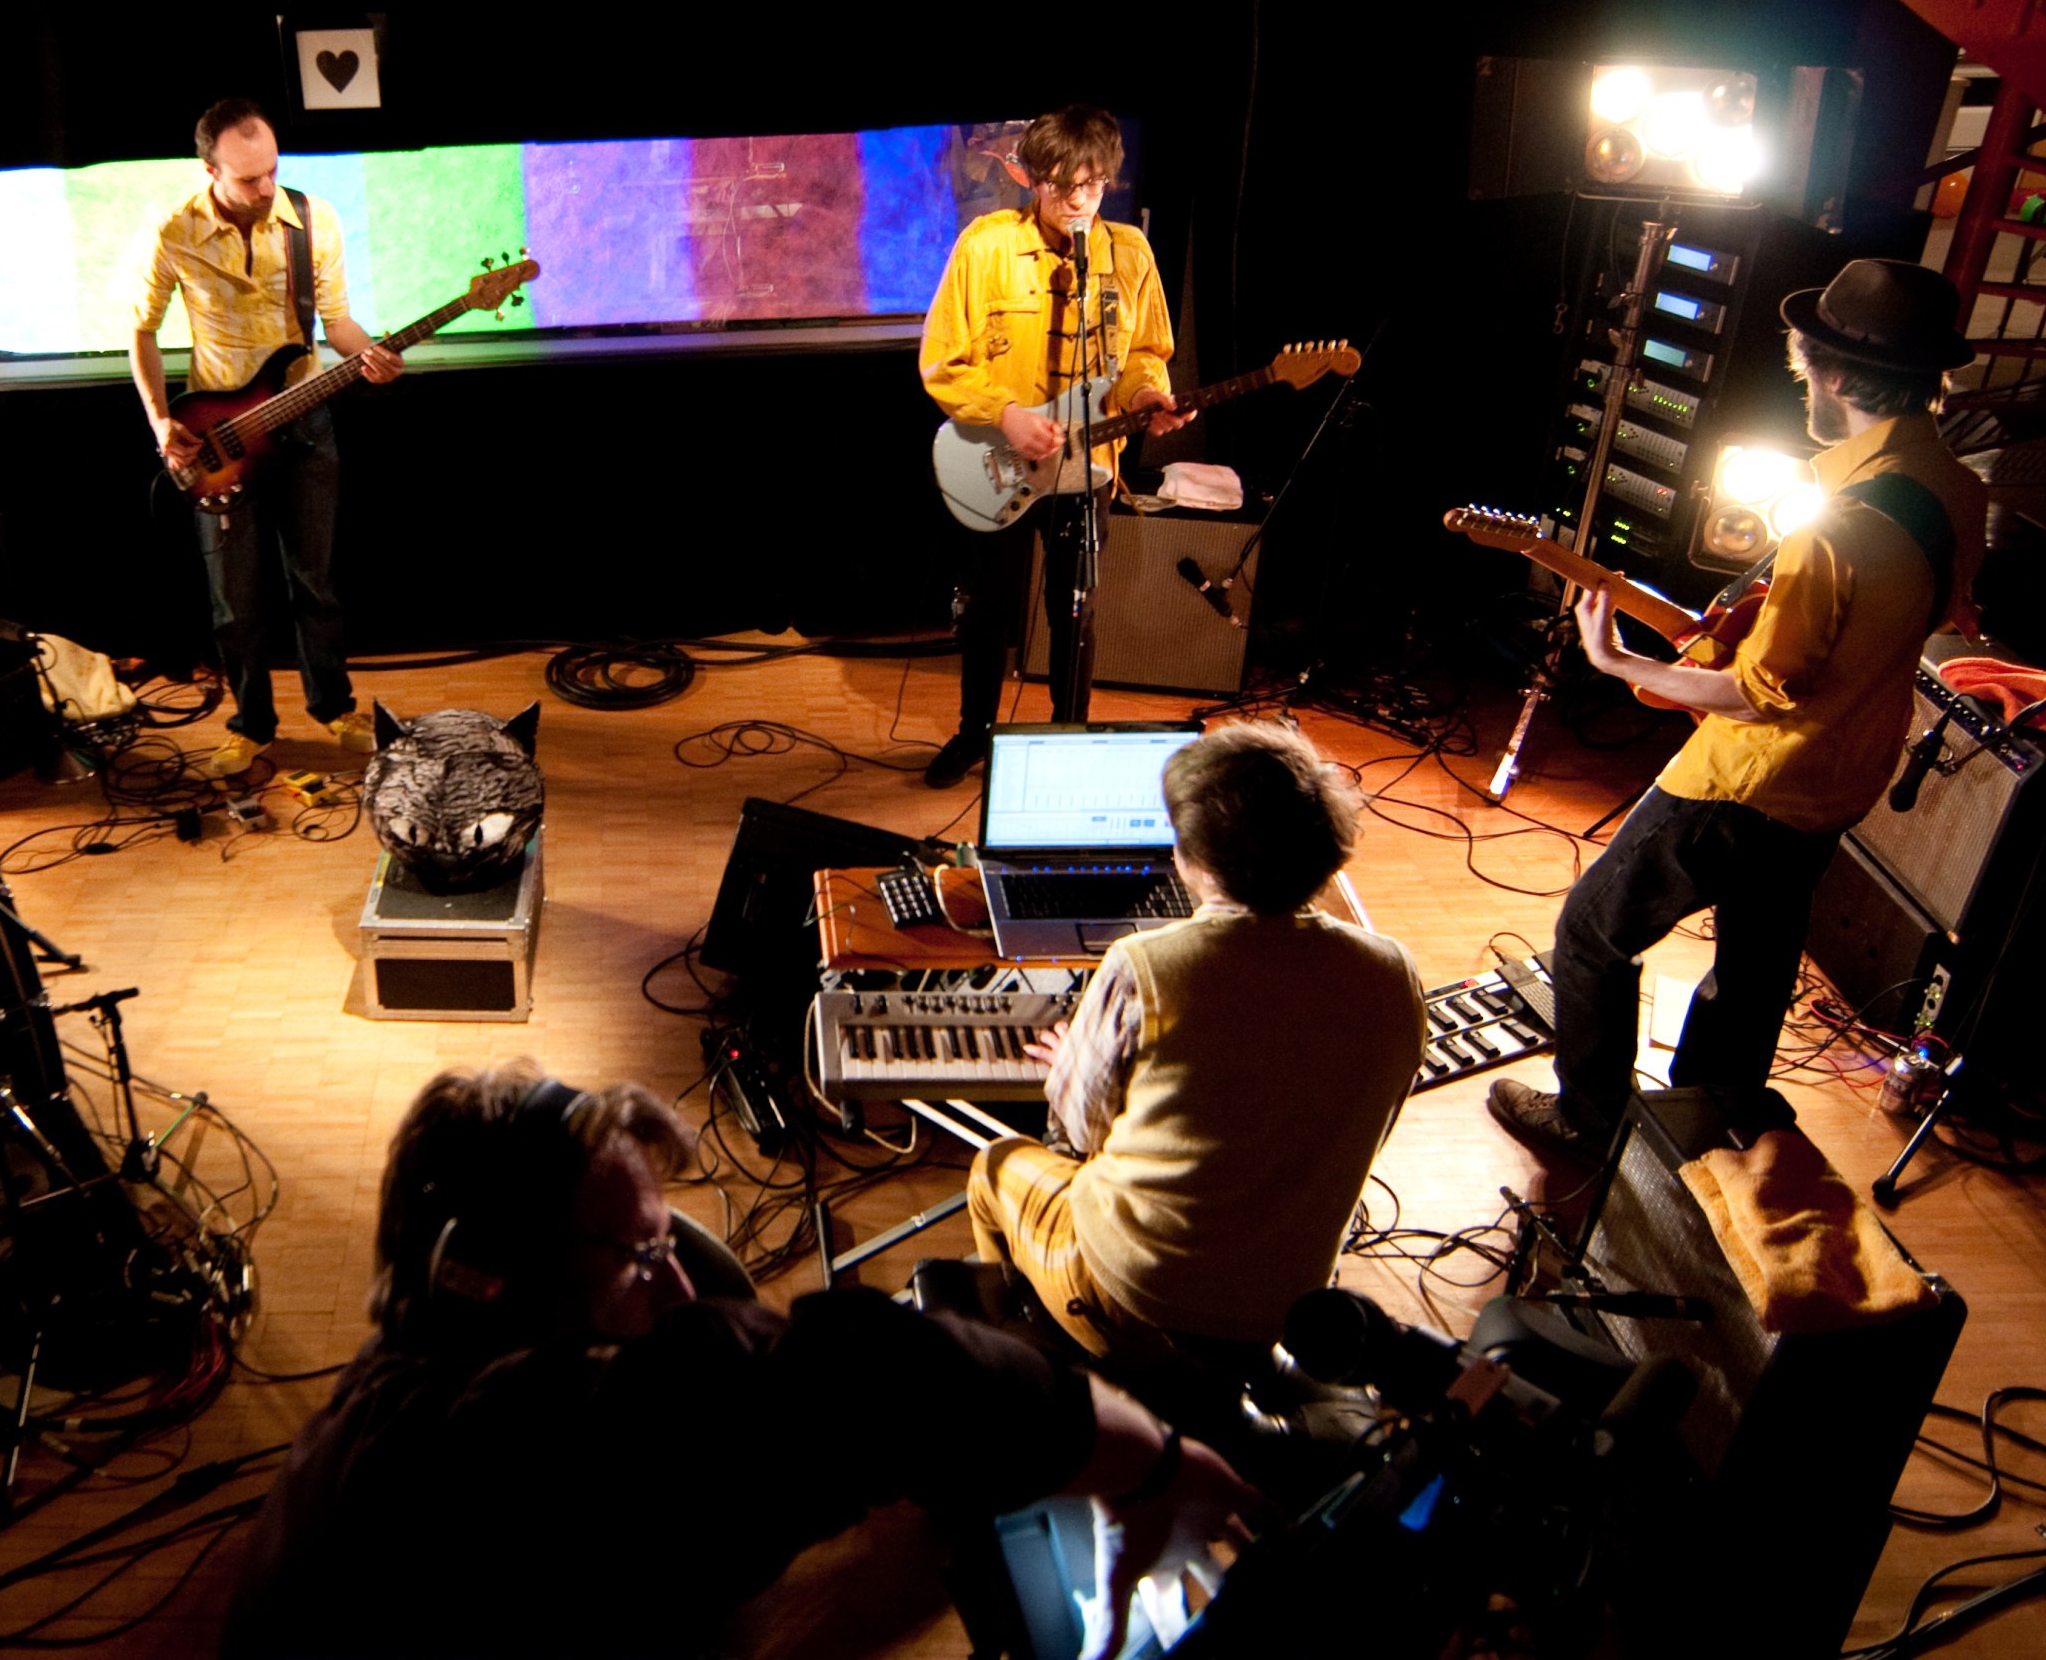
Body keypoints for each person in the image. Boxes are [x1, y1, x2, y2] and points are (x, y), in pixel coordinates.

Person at [224, 1060, 1258, 1660]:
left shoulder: (387, 1397)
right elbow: (863, 1378)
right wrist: (1153, 1462)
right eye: (641, 1258)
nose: (680, 1289)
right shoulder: (501, 1450)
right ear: (492, 1276)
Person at [1490, 259, 1987, 1164]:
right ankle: (1705, 1127)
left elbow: (1759, 694)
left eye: (1806, 370)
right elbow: (1915, 623)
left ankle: (1589, 1124)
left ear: (1836, 375)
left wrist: (1618, 661)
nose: (1803, 385)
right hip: (1843, 781)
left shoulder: (1836, 525)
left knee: (1592, 931)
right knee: (1753, 966)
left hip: (1749, 784)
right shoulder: (1959, 488)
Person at [969, 724, 1427, 1371]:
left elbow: (1081, 1132)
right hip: (1286, 1307)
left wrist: (1080, 1059)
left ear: (1195, 862)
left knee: (995, 1166)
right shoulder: (1394, 971)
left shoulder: (1145, 966)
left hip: (1136, 1299)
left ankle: (1025, 1346)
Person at [918, 105, 1192, 789]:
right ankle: (974, 734)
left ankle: (1069, 742)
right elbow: (943, 361)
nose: (1078, 200)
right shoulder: (986, 247)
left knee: (1076, 612)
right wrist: (1006, 414)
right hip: (1001, 464)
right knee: (989, 610)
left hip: (1088, 469)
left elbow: (1145, 353)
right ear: (1032, 179)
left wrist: (1146, 397)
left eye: (1092, 185)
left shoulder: (1128, 253)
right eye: (1063, 185)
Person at [133, 99, 398, 780]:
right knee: (236, 599)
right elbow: (142, 330)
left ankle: (333, 707)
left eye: (273, 170)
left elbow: (337, 323)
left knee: (317, 583)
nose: (265, 187)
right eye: (248, 178)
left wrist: (371, 355)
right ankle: (251, 724)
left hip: (305, 423)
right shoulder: (175, 231)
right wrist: (161, 421)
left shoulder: (313, 220)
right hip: (217, 438)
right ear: (210, 170)